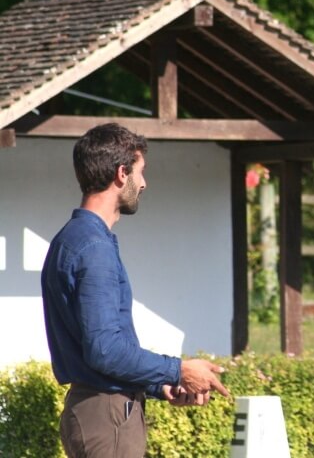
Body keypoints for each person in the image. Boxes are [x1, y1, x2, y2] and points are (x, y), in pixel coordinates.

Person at [41, 123, 230, 457]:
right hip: (107, 417)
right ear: (121, 173)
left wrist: (161, 385)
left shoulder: (71, 239)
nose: (144, 183)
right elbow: (105, 350)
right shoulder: (93, 248)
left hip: (100, 412)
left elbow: (102, 353)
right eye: (140, 172)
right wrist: (179, 370)